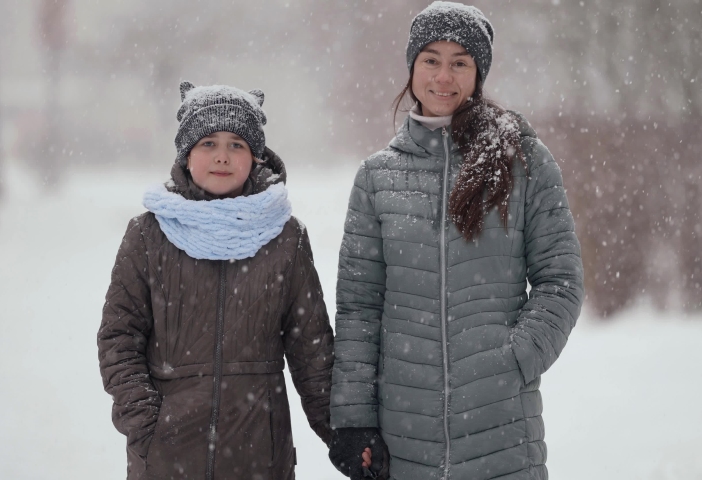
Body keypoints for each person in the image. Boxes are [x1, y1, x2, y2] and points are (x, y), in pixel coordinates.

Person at [328, 2, 585, 479]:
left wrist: (512, 361)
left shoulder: (522, 161)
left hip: (502, 431)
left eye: (460, 62)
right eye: (431, 59)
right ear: (412, 68)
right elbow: (360, 307)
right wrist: (352, 420)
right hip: (404, 434)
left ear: (478, 73)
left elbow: (560, 281)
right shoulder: (377, 178)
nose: (443, 76)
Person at [98, 82, 334, 480]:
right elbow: (119, 340)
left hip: (260, 457)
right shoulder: (147, 235)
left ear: (256, 158)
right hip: (166, 460)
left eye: (237, 145)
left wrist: (341, 434)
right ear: (187, 154)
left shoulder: (285, 237)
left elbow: (313, 351)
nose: (222, 156)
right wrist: (147, 427)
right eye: (208, 143)